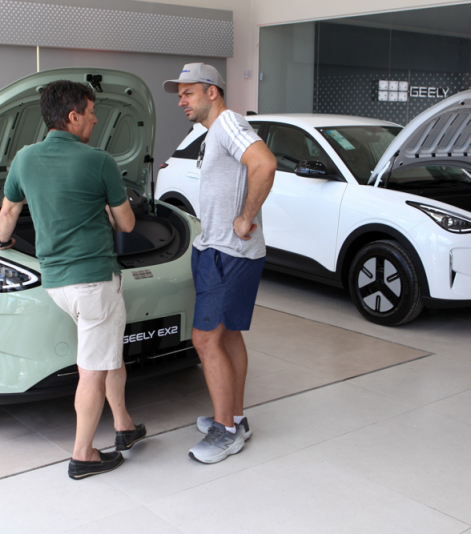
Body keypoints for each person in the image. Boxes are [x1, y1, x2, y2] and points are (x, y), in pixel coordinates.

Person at [0, 80, 146, 479]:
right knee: (92, 368)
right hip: (94, 283)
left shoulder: (23, 159)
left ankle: (123, 425)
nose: (94, 119)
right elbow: (126, 222)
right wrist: (103, 210)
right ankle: (82, 454)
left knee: (107, 354)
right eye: (90, 113)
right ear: (73, 117)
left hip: (57, 282)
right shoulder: (99, 161)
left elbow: (7, 217)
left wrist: (1, 243)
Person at [163, 63, 277, 464]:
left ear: (212, 92)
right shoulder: (214, 132)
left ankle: (225, 431)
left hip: (230, 251)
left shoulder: (228, 123)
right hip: (221, 249)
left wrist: (245, 217)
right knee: (227, 337)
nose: (181, 101)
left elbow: (264, 164)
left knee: (205, 339)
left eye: (188, 93)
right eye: (179, 94)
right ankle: (236, 418)